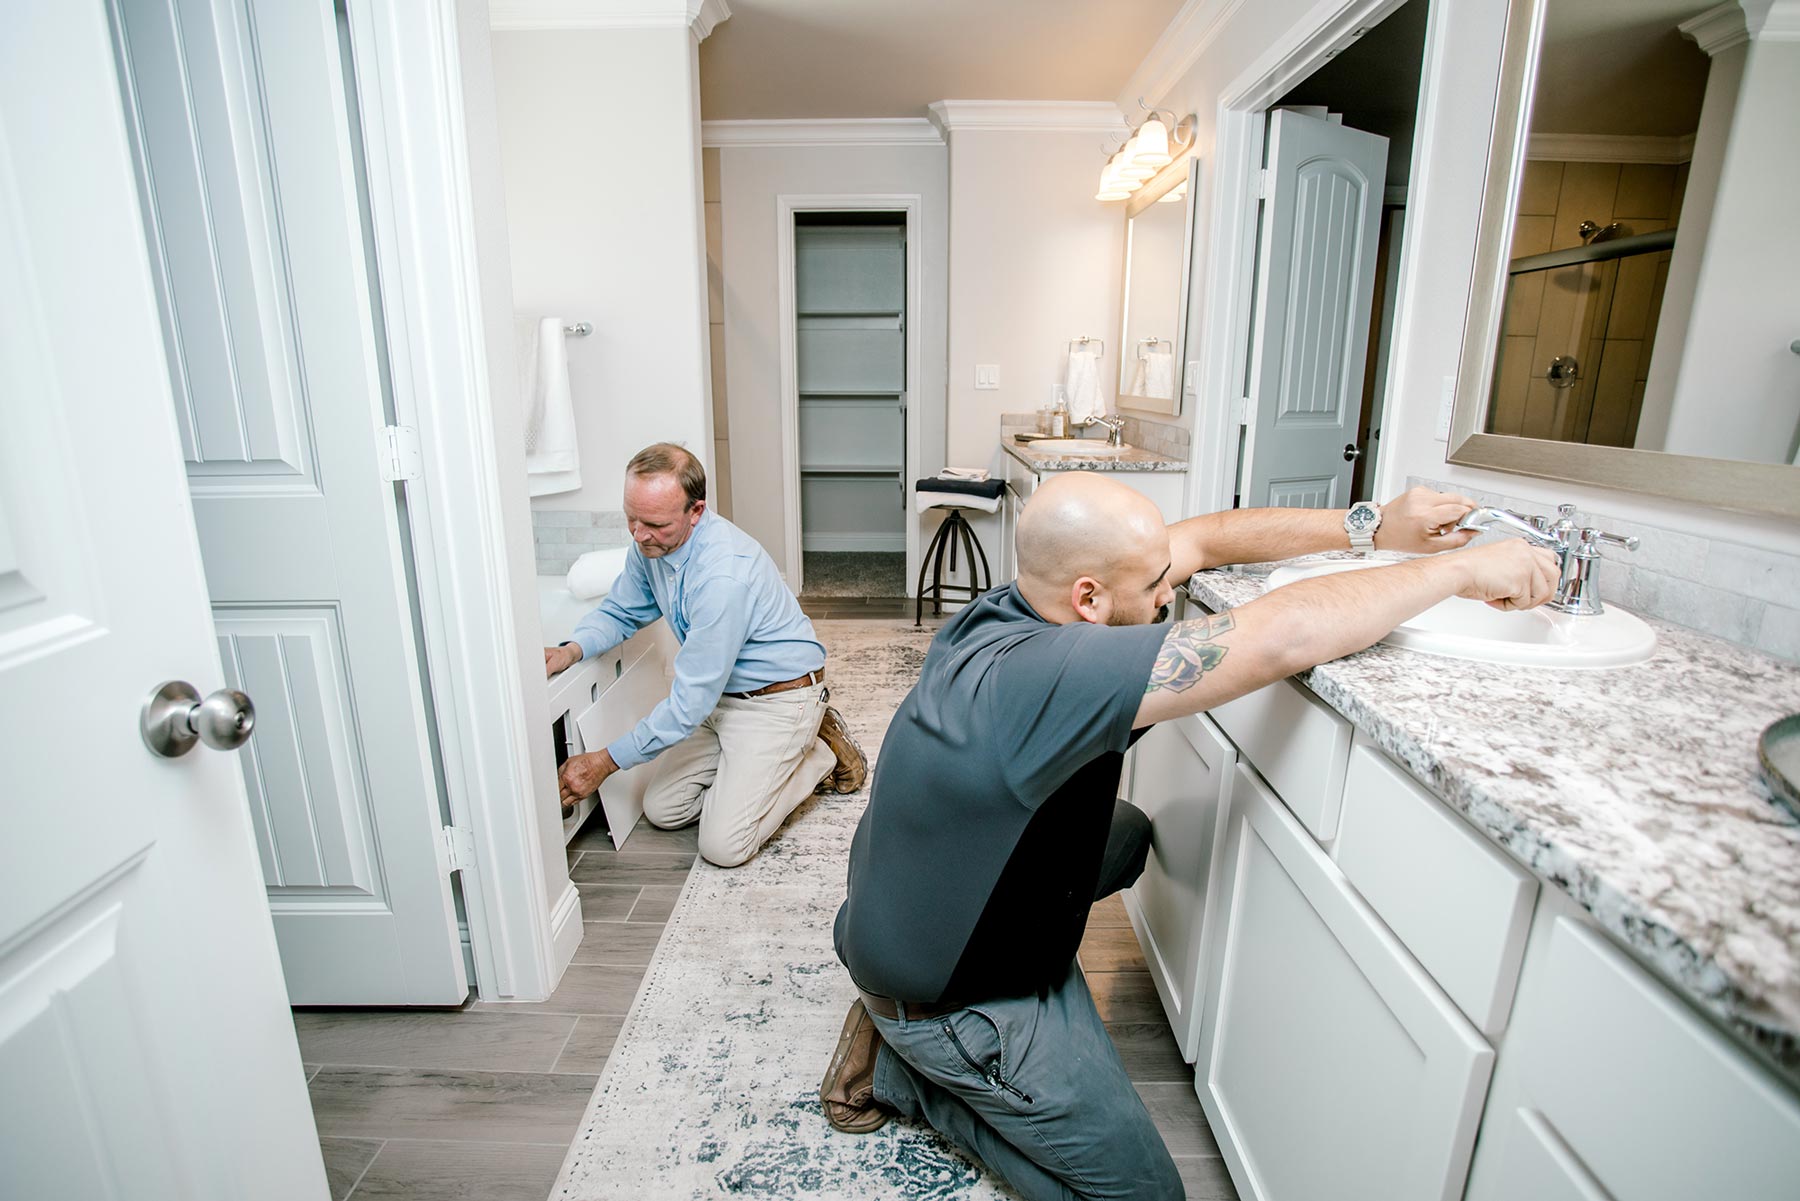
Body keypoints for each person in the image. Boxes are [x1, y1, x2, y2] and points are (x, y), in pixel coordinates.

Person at [819, 475, 1560, 1200]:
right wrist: (1461, 567)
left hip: (904, 908)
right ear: (1090, 600)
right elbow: (1284, 634)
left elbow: (1203, 538)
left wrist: (1375, 527)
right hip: (948, 996)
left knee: (1128, 835)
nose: (1168, 596)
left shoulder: (1026, 604)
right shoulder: (1059, 671)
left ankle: (932, 1019)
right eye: (1154, 591)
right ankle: (901, 1071)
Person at [548, 443, 866, 868]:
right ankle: (754, 770)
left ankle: (819, 752)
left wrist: (604, 761)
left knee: (723, 846)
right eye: (631, 519)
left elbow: (687, 705)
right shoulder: (652, 547)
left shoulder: (723, 577)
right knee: (663, 811)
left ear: (696, 511)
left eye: (654, 524)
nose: (639, 535)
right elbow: (622, 610)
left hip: (777, 700)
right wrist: (571, 650)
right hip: (722, 698)